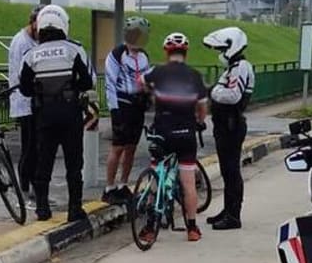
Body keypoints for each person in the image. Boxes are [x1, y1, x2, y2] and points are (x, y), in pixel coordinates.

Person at [19, 4, 95, 222]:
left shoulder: (31, 54)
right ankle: (74, 210)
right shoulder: (75, 49)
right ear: (63, 24)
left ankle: (42, 209)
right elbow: (87, 81)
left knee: (44, 160)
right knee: (74, 163)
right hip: (71, 113)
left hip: (44, 115)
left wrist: (41, 90)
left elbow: (24, 88)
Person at [140, 33, 208, 242]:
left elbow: (140, 81)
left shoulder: (157, 72)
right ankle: (192, 228)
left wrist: (151, 94)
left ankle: (150, 228)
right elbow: (202, 106)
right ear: (185, 53)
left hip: (162, 132)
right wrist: (199, 120)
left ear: (166, 52)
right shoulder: (195, 76)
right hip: (186, 133)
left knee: (155, 176)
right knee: (188, 182)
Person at [203, 27, 255, 230]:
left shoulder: (241, 67)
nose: (220, 53)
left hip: (232, 125)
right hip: (224, 124)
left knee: (232, 171)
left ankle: (234, 216)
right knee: (227, 171)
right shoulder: (232, 68)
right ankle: (228, 210)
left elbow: (232, 95)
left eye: (222, 48)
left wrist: (213, 90)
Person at [102, 16, 152, 204]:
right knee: (118, 147)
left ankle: (123, 184)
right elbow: (110, 84)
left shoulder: (143, 56)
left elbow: (147, 79)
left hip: (137, 105)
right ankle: (109, 187)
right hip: (121, 103)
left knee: (131, 147)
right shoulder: (117, 54)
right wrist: (114, 111)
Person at [8, 5, 42, 209]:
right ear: (33, 22)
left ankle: (31, 189)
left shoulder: (32, 40)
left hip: (32, 102)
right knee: (30, 148)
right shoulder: (22, 43)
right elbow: (23, 74)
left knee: (35, 148)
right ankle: (25, 190)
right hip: (24, 101)